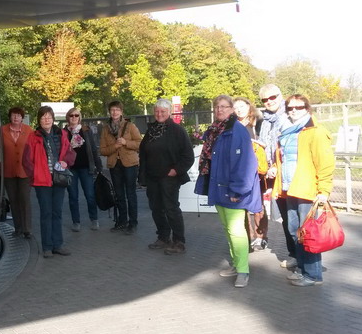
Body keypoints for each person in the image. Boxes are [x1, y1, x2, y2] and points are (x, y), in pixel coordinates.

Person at [195, 95, 261, 288]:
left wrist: (237, 190)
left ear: (232, 110)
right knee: (228, 229)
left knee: (236, 230)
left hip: (232, 190)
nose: (220, 110)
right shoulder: (216, 131)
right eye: (217, 107)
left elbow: (245, 164)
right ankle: (236, 263)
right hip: (219, 187)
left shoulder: (237, 131)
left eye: (224, 107)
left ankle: (243, 270)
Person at [274, 94, 335, 287]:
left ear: (307, 108)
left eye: (298, 107)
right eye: (289, 107)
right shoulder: (288, 131)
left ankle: (313, 275)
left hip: (307, 190)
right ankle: (302, 269)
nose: (293, 110)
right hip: (290, 189)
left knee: (308, 233)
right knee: (295, 231)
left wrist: (323, 190)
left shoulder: (315, 132)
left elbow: (325, 163)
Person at [138, 98, 195, 255]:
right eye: (156, 111)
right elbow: (143, 153)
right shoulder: (151, 131)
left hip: (169, 177)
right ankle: (163, 237)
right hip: (152, 177)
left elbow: (188, 156)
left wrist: (176, 170)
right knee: (156, 208)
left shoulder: (177, 130)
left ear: (169, 112)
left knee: (171, 208)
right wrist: (142, 175)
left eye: (163, 111)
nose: (159, 114)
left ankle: (179, 241)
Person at [23, 106, 76, 258]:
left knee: (57, 213)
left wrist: (66, 162)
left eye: (49, 117)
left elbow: (70, 152)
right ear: (39, 120)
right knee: (46, 213)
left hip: (58, 179)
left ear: (53, 119)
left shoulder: (62, 134)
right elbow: (26, 161)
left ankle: (58, 245)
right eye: (43, 117)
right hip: (42, 182)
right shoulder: (33, 137)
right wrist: (35, 175)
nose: (46, 120)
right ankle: (47, 246)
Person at [258, 84, 295, 269]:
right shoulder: (264, 121)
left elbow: (290, 149)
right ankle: (294, 254)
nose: (269, 101)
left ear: (280, 96)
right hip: (272, 176)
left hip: (289, 175)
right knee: (284, 217)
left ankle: (304, 258)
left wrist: (276, 167)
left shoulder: (289, 116)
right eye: (265, 99)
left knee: (294, 217)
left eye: (273, 97)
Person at [99, 101, 142, 234]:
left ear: (121, 112)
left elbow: (139, 143)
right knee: (119, 195)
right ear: (109, 112)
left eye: (117, 110)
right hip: (114, 165)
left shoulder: (130, 126)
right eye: (112, 110)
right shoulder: (106, 129)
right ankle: (122, 221)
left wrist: (125, 142)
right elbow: (103, 150)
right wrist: (115, 147)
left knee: (130, 193)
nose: (115, 112)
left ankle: (133, 223)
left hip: (129, 164)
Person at [233, 96, 269, 252]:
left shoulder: (258, 122)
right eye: (236, 107)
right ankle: (246, 239)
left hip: (256, 170)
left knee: (258, 206)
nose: (239, 109)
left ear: (249, 106)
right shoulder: (232, 125)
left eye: (242, 105)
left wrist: (254, 143)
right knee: (241, 207)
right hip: (238, 171)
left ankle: (260, 237)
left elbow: (267, 143)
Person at [63, 107, 103, 231]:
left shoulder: (86, 130)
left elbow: (93, 149)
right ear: (68, 118)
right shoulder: (63, 132)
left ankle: (94, 219)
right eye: (71, 115)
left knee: (90, 195)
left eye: (76, 115)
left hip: (86, 167)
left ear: (79, 117)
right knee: (73, 196)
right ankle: (76, 222)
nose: (74, 118)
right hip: (71, 168)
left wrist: (99, 165)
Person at [2, 107, 34, 239]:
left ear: (22, 117)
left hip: (25, 171)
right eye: (13, 115)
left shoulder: (29, 131)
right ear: (10, 117)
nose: (16, 117)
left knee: (25, 199)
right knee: (14, 200)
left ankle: (27, 229)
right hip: (8, 171)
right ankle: (18, 228)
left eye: (18, 115)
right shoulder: (2, 130)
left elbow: (33, 149)